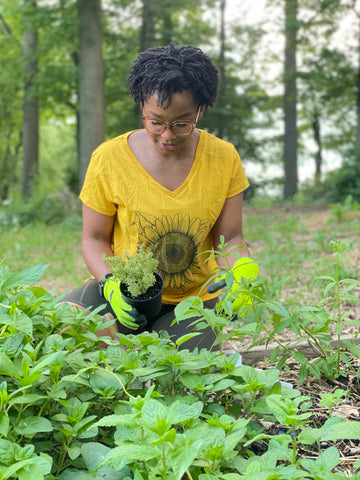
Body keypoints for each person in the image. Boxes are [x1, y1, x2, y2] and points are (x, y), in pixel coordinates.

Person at [61, 44, 252, 350]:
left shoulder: (223, 158)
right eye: (156, 122)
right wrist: (110, 284)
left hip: (191, 304)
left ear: (200, 110)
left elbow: (229, 239)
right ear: (142, 109)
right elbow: (94, 237)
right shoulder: (109, 158)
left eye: (181, 124)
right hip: (124, 292)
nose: (167, 135)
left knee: (178, 372)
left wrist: (242, 272)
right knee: (58, 327)